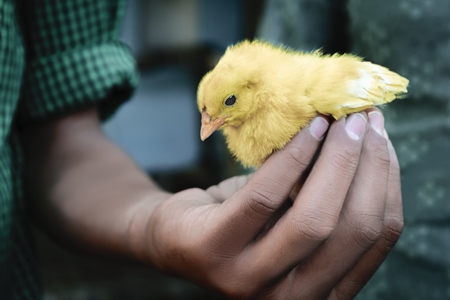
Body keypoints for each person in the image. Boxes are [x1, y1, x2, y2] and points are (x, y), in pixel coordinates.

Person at [1, 1, 403, 299]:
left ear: (254, 89)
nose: (207, 126)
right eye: (206, 114)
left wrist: (153, 224)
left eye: (222, 108)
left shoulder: (312, 88)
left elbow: (60, 127)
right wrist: (155, 230)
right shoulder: (245, 112)